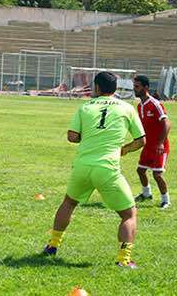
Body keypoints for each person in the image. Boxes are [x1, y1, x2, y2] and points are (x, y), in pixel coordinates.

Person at [43, 72, 145, 268]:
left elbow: (72, 136)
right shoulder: (127, 108)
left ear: (97, 88)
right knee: (128, 214)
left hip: (82, 166)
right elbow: (141, 140)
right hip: (107, 168)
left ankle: (52, 246)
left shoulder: (85, 107)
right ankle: (124, 260)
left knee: (69, 203)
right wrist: (124, 149)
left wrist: (88, 138)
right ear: (115, 89)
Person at [133, 75, 172, 209]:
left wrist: (161, 143)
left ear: (146, 87)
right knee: (140, 170)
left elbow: (167, 123)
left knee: (157, 174)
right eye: (134, 86)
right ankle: (146, 194)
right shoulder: (140, 106)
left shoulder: (155, 104)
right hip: (148, 146)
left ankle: (166, 200)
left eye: (137, 87)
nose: (134, 89)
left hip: (159, 147)